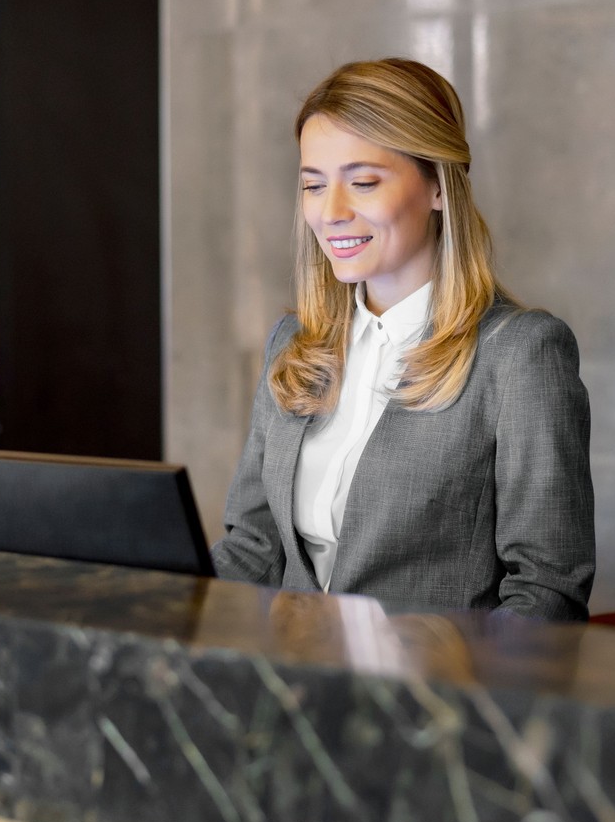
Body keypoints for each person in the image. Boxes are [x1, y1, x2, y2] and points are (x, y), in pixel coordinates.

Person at [211, 57, 595, 621]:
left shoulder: (521, 353)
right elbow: (254, 549)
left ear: (438, 185)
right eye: (313, 186)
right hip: (291, 686)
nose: (331, 212)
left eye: (363, 182)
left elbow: (547, 590)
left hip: (434, 698)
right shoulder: (293, 344)